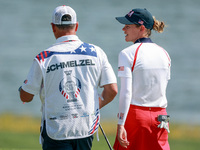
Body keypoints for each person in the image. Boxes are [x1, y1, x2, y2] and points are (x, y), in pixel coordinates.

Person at [19, 5, 118, 150]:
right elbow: (112, 90)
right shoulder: (96, 52)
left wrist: (22, 90)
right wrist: (94, 106)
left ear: (53, 27)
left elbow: (26, 97)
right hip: (85, 128)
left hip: (56, 131)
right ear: (76, 26)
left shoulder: (44, 58)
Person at [113, 8, 171, 150]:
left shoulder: (126, 54)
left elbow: (126, 93)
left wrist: (121, 124)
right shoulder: (165, 53)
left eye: (128, 26)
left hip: (136, 117)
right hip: (161, 118)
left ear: (142, 28)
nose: (123, 29)